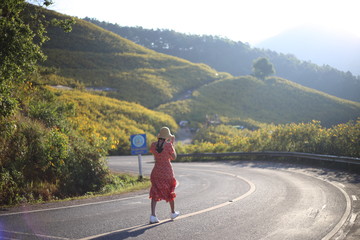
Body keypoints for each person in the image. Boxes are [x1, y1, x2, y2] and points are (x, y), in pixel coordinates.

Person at [149, 127, 180, 224]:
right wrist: (172, 144)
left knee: (155, 191)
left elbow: (156, 155)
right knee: (170, 190)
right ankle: (172, 212)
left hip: (156, 171)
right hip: (166, 171)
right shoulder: (168, 145)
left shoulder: (153, 145)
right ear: (167, 137)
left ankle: (153, 216)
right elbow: (174, 157)